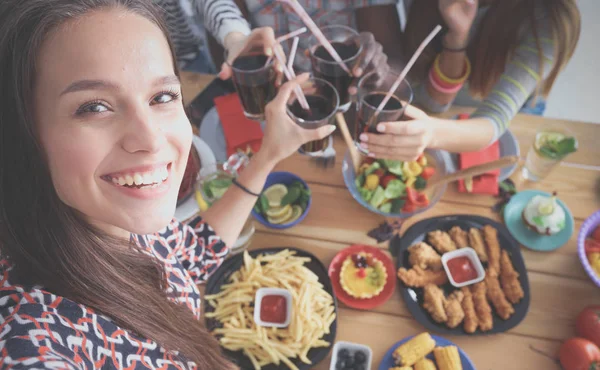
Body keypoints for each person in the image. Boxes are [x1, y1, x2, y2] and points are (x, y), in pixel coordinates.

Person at [0, 0, 333, 368]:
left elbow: (194, 255)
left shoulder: (115, 217)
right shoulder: (32, 337)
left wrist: (269, 152)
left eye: (162, 97)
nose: (152, 139)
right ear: (23, 135)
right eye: (94, 107)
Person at [357, 0, 581, 161]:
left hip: (509, 119)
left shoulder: (549, 19)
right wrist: (457, 38)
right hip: (437, 113)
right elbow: (432, 103)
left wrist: (431, 133)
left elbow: (494, 120)